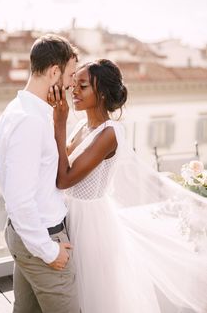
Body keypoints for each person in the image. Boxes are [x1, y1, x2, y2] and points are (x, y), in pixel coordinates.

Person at [48, 59, 207, 313]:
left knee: (92, 295)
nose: (73, 91)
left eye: (82, 85)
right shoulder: (81, 126)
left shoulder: (110, 133)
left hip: (90, 223)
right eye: (73, 84)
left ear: (101, 93)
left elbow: (64, 178)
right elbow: (60, 162)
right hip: (68, 214)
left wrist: (58, 123)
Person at [0, 34, 80, 313]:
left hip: (24, 236)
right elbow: (19, 200)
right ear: (54, 72)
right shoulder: (29, 121)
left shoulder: (18, 109)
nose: (71, 84)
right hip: (41, 239)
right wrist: (50, 251)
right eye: (70, 74)